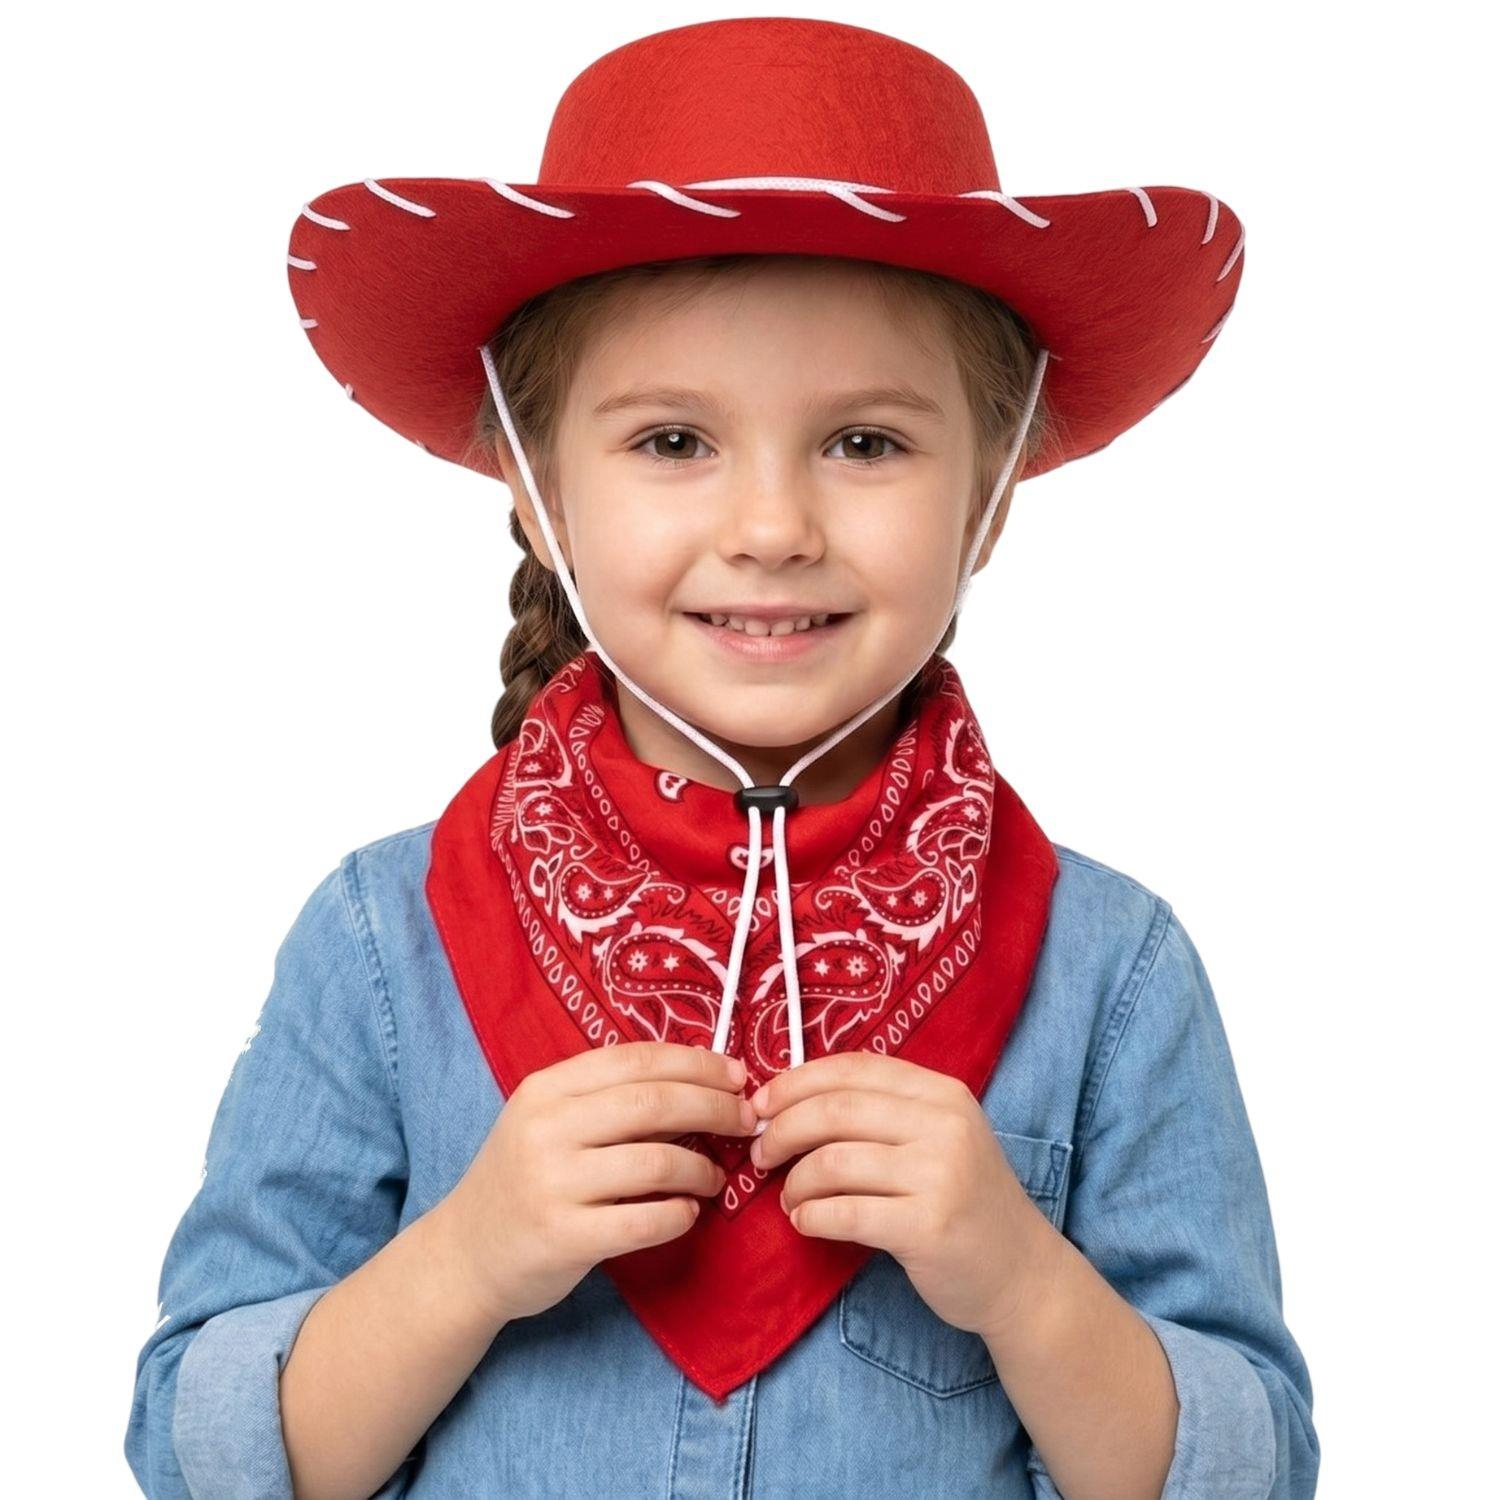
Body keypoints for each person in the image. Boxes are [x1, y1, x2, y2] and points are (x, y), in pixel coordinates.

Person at [125, 16, 1317, 1500]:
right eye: (674, 441)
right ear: (538, 492)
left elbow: (1249, 1469)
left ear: (992, 499)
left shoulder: (1113, 969)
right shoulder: (384, 941)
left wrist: (1021, 1280)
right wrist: (472, 1256)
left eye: (867, 444)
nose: (771, 527)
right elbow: (199, 1452)